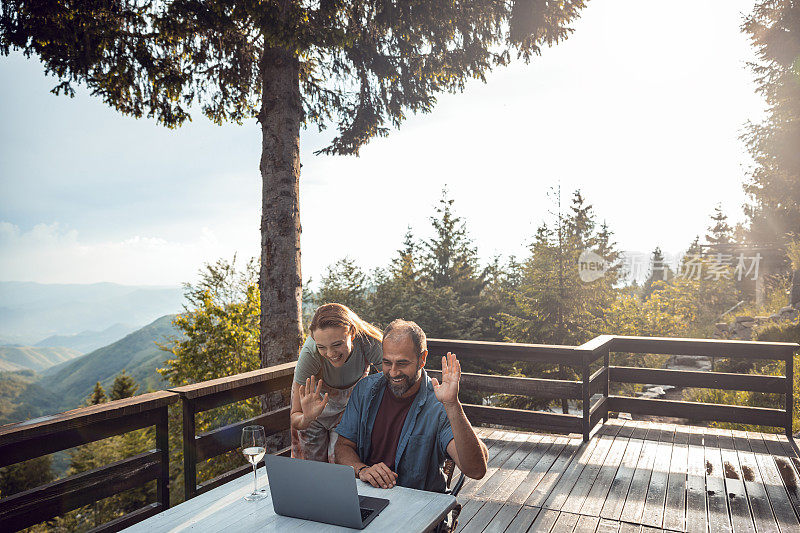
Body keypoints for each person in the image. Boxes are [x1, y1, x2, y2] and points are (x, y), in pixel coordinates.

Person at [334, 319, 487, 492]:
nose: (393, 372)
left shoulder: (439, 405)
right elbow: (342, 446)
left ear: (422, 359)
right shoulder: (364, 390)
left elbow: (476, 470)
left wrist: (452, 404)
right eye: (387, 362)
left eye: (402, 363)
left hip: (419, 507)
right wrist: (362, 470)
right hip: (368, 497)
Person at [290, 303, 383, 462]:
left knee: (341, 464)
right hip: (312, 416)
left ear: (352, 333)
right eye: (322, 347)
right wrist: (307, 417)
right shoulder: (310, 354)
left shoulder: (369, 343)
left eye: (337, 344)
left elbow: (393, 378)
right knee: (312, 470)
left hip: (347, 413)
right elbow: (295, 417)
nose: (330, 353)